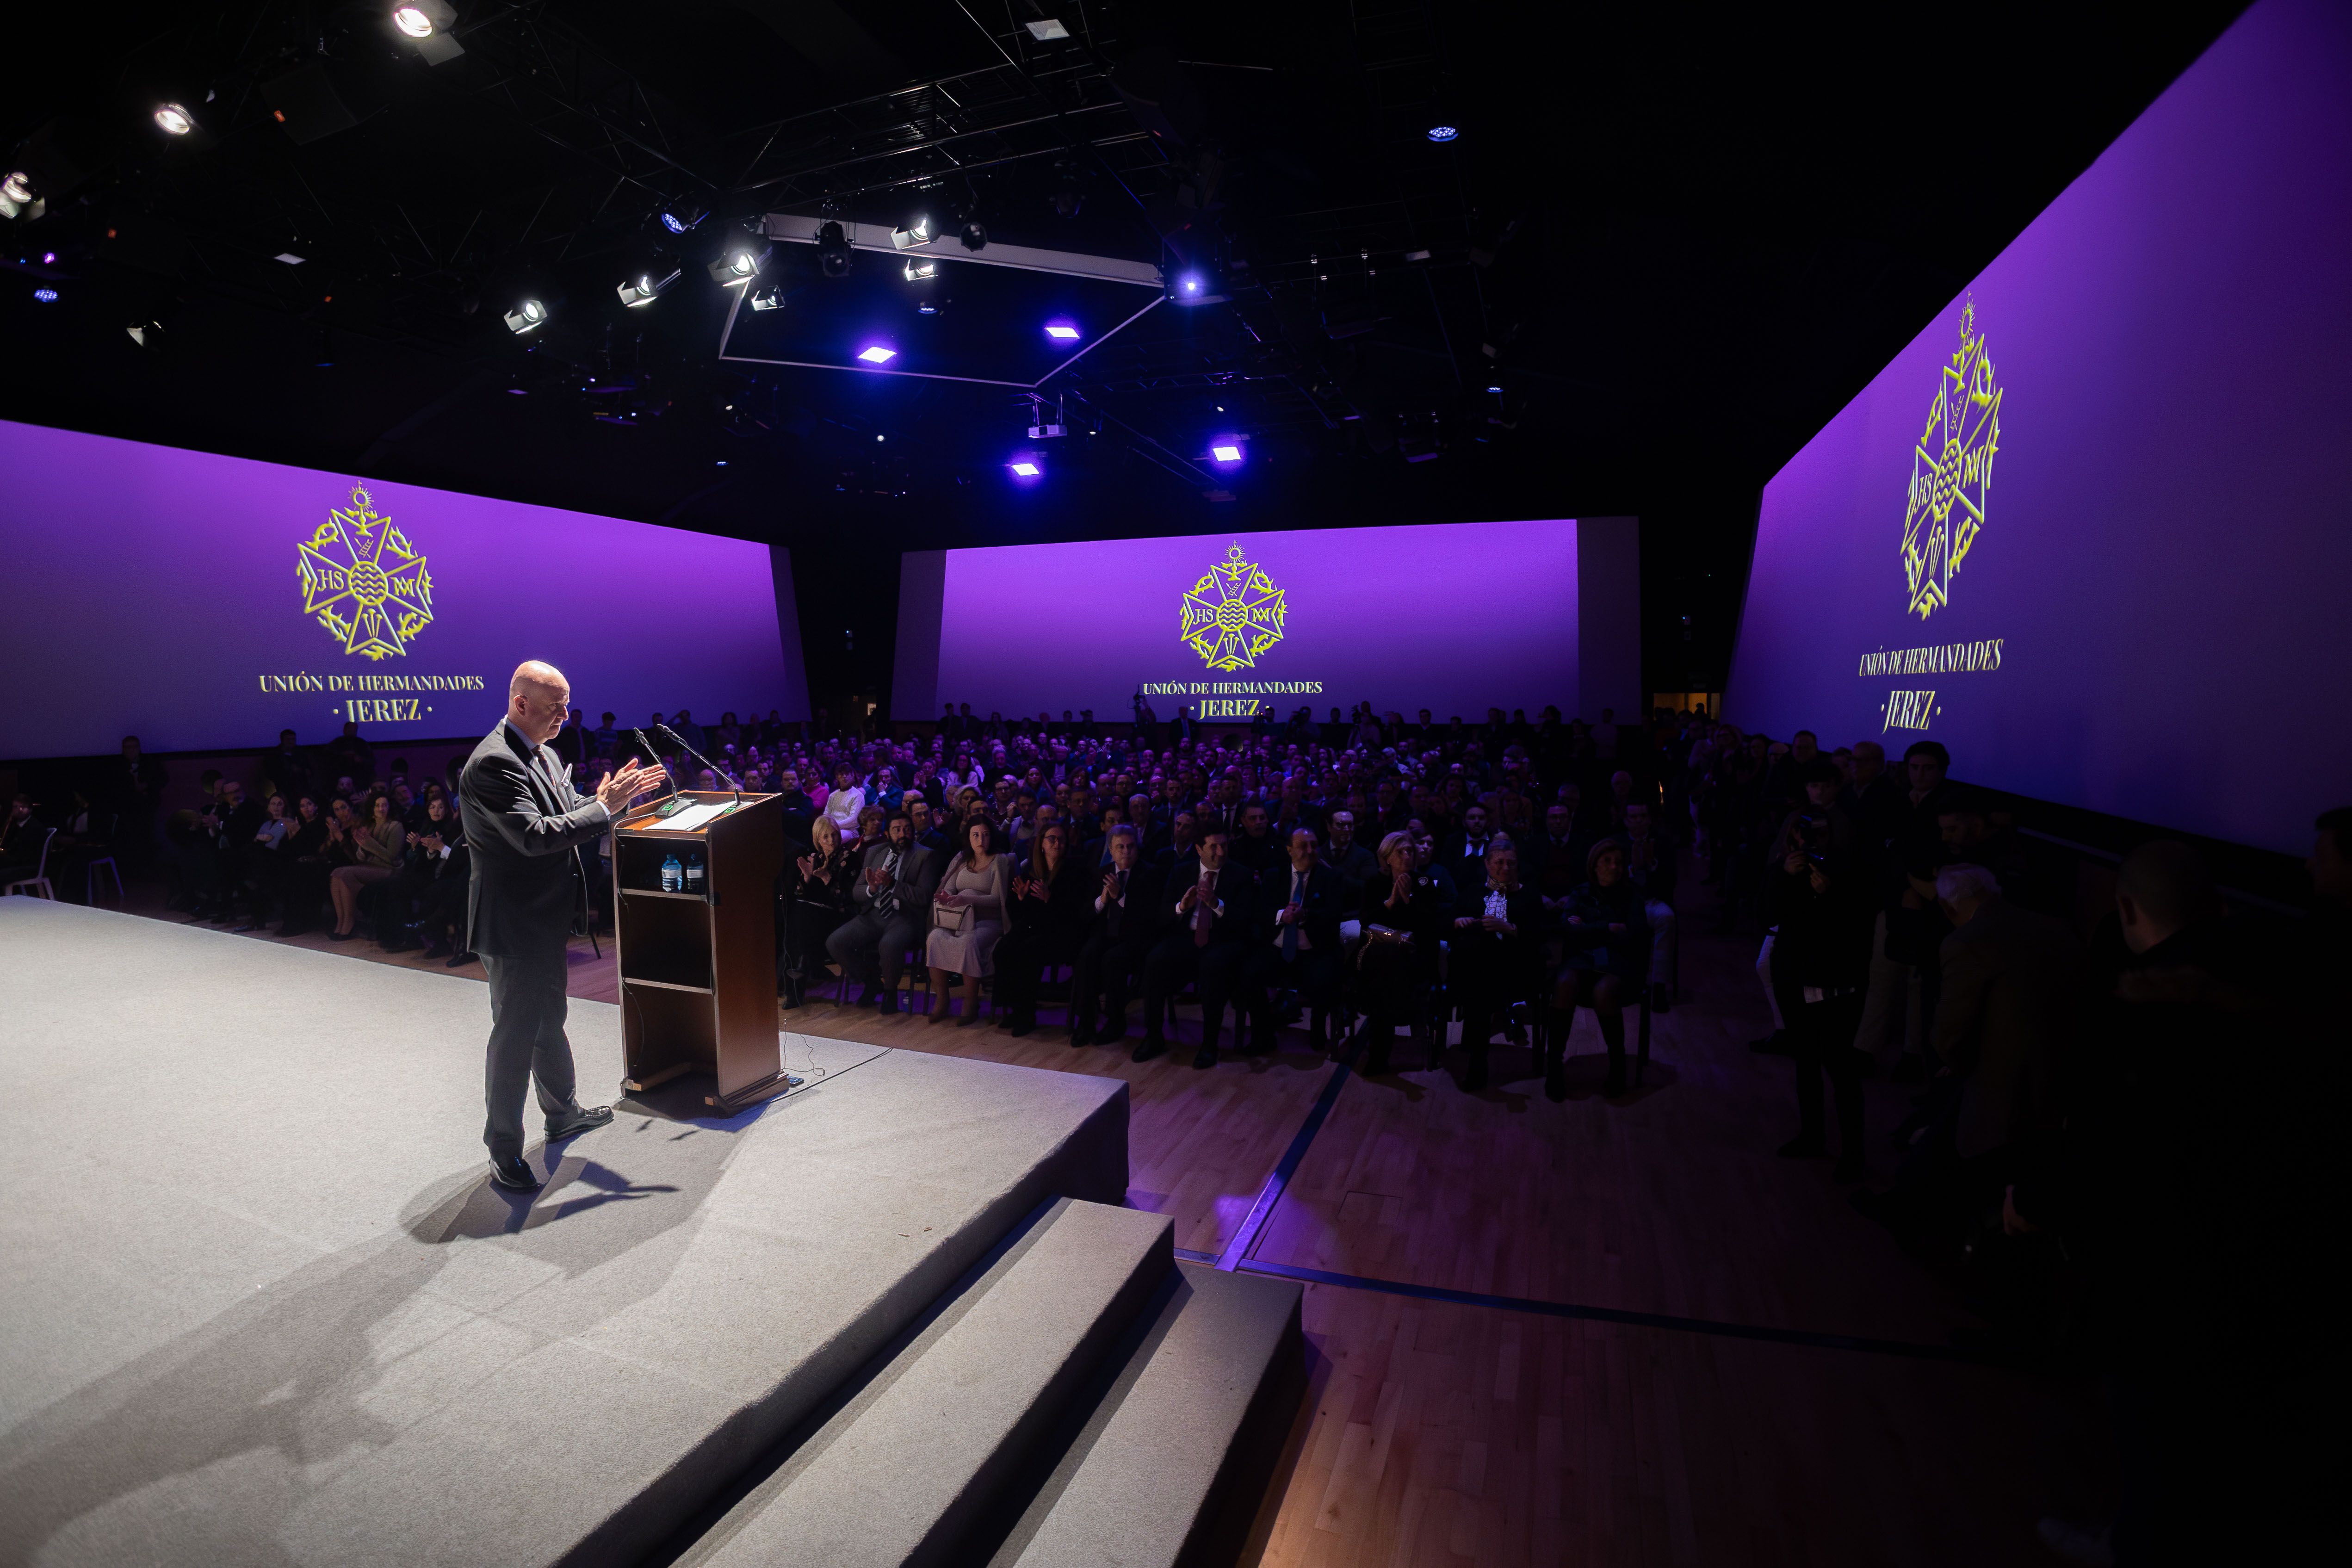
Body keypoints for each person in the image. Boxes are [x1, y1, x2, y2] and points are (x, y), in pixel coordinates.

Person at [459, 660, 666, 1193]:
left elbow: (563, 810)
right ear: (520, 703)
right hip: (513, 922)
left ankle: (562, 1113)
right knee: (514, 1034)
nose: (565, 716)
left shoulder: (546, 753)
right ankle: (503, 1149)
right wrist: (603, 807)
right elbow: (532, 835)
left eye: (567, 705)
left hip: (544, 916)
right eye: (555, 708)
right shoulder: (493, 764)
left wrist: (602, 800)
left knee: (548, 1018)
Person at [1137, 824, 1253, 1068]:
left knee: (1213, 965)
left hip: (1223, 940)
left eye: (1224, 846)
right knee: (1155, 960)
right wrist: (1182, 907)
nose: (1220, 852)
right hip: (1186, 938)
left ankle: (1210, 1044)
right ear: (1199, 849)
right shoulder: (1181, 872)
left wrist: (1216, 903)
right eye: (1214, 847)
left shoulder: (1240, 874)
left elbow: (1245, 923)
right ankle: (1153, 1037)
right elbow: (1162, 916)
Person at [1549, 839, 1646, 1100]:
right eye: (1607, 862)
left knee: (1605, 990)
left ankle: (1617, 1066)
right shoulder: (1581, 892)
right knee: (1565, 981)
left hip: (1619, 962)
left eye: (1618, 862)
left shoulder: (1632, 896)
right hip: (1582, 959)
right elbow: (1567, 930)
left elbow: (1634, 936)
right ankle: (1554, 1066)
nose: (1614, 867)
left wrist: (1587, 928)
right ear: (1594, 866)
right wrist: (1607, 928)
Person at [1244, 827, 1349, 1054]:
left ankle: (1318, 1028)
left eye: (1314, 845)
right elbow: (1261, 912)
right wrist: (1284, 915)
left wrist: (1306, 915)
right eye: (1303, 846)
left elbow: (1334, 916)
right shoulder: (1274, 875)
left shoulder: (1332, 878)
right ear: (1290, 850)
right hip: (1278, 948)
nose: (1310, 851)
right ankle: (1263, 1033)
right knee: (1247, 975)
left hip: (1314, 951)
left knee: (1327, 977)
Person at [1450, 840, 1543, 1090]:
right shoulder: (1472, 892)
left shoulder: (1530, 896)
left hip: (1517, 971)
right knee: (1478, 979)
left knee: (1481, 987)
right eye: (1499, 862)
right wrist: (1458, 921)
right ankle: (1478, 1057)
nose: (1505, 867)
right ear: (1487, 864)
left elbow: (1539, 938)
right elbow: (1452, 922)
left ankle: (1478, 1059)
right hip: (1477, 971)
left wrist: (1510, 929)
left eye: (1511, 863)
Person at [827, 809, 936, 1014]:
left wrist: (893, 884)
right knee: (835, 942)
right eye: (897, 830)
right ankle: (872, 981)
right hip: (874, 914)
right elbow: (857, 892)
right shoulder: (875, 853)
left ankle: (890, 992)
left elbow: (923, 897)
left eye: (907, 830)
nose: (902, 834)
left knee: (889, 945)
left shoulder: (924, 856)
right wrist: (872, 889)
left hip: (904, 917)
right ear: (888, 834)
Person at [1358, 830, 1448, 1075]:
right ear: (1387, 857)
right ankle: (1409, 1019)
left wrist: (1408, 898)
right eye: (1401, 852)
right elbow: (1365, 921)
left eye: (1411, 850)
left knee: (1386, 978)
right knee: (1385, 962)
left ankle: (1379, 1054)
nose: (1408, 855)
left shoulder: (1425, 884)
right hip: (1378, 952)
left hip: (1414, 954)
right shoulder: (1375, 883)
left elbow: (1429, 927)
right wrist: (1390, 901)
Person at [994, 820, 1092, 1036]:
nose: (1057, 843)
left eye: (1061, 840)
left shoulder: (1075, 871)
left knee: (1027, 951)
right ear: (1042, 844)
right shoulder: (1032, 871)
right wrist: (1020, 899)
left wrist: (1050, 900)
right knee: (1004, 948)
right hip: (1036, 927)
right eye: (1052, 839)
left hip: (1064, 933)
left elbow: (1076, 914)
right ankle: (1015, 1007)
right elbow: (1023, 914)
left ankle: (1027, 1015)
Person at [1069, 824, 1162, 1048]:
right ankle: (1086, 1023)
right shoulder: (1102, 873)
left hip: (1136, 938)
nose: (1127, 851)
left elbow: (1148, 917)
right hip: (1106, 933)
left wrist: (1120, 897)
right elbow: (1085, 914)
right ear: (1111, 850)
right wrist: (1102, 900)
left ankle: (1116, 1021)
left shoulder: (1151, 873)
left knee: (1113, 959)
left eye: (1131, 846)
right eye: (1121, 847)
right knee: (1087, 956)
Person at [925, 815, 1012, 1024]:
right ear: (969, 838)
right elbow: (949, 887)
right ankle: (943, 1000)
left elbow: (998, 899)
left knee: (968, 942)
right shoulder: (961, 859)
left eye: (985, 835)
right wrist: (947, 897)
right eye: (976, 835)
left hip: (987, 921)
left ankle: (970, 1002)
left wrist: (966, 898)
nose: (981, 839)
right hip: (958, 919)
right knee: (935, 937)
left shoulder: (999, 861)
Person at [781, 814, 852, 1009]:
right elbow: (800, 893)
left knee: (802, 918)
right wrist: (806, 877)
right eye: (826, 837)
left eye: (834, 835)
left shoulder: (849, 858)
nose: (832, 841)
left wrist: (829, 879)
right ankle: (799, 973)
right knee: (796, 915)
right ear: (818, 840)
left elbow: (848, 899)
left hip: (836, 915)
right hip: (811, 918)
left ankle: (798, 977)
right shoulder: (814, 858)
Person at [327, 791, 406, 940]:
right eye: (377, 806)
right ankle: (341, 921)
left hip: (390, 870)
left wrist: (369, 845)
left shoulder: (396, 826)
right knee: (336, 873)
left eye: (384, 805)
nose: (381, 809)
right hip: (370, 867)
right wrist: (361, 846)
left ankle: (350, 922)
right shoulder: (369, 826)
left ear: (389, 808)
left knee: (345, 874)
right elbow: (360, 858)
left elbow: (393, 857)